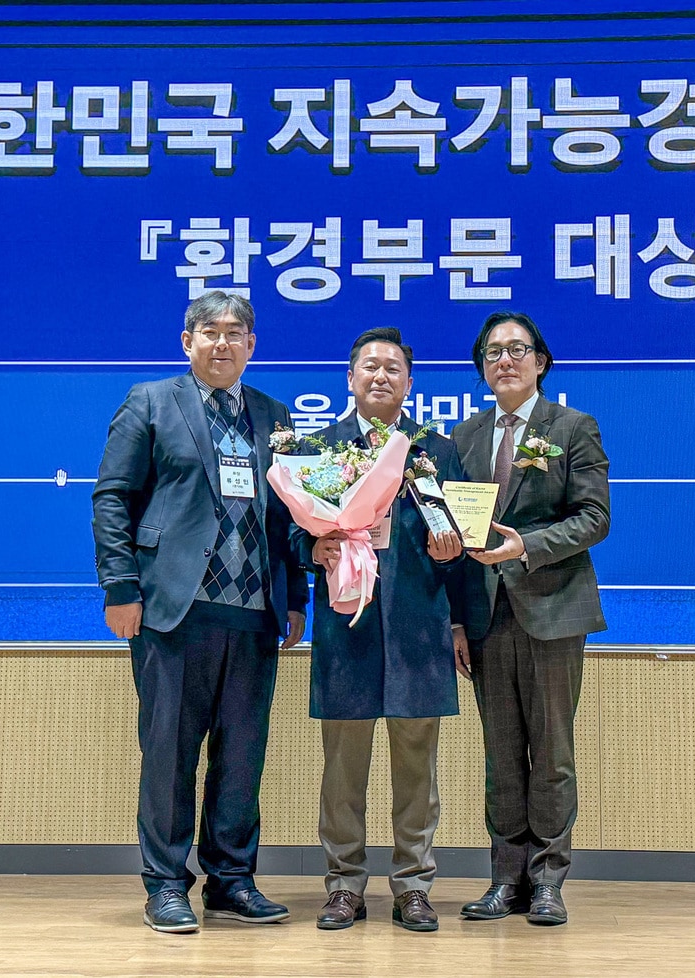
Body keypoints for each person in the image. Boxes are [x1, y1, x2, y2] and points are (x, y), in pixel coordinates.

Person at [92, 291, 307, 934]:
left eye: (235, 333)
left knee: (243, 755)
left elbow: (293, 518)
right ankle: (165, 882)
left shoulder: (274, 417)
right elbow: (112, 500)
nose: (222, 343)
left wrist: (294, 597)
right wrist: (120, 588)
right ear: (187, 343)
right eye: (208, 332)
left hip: (253, 613)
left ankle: (232, 880)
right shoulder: (151, 402)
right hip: (172, 612)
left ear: (251, 346)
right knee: (169, 751)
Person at [291, 327, 468, 933]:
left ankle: (413, 886)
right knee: (342, 766)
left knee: (417, 766)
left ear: (409, 384)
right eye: (370, 366)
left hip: (419, 625)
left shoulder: (437, 451)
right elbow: (291, 534)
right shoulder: (318, 449)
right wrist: (314, 543)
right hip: (349, 625)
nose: (381, 376)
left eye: (394, 368)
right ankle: (344, 885)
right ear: (349, 378)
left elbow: (465, 543)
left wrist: (453, 551)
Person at [449, 311, 610, 926]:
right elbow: (455, 536)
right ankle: (505, 880)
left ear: (540, 361)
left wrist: (527, 546)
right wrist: (457, 622)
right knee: (500, 752)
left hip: (552, 612)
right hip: (486, 618)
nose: (505, 360)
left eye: (517, 349)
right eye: (493, 352)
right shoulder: (463, 438)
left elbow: (595, 518)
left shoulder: (572, 427)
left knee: (552, 750)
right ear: (482, 367)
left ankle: (548, 878)